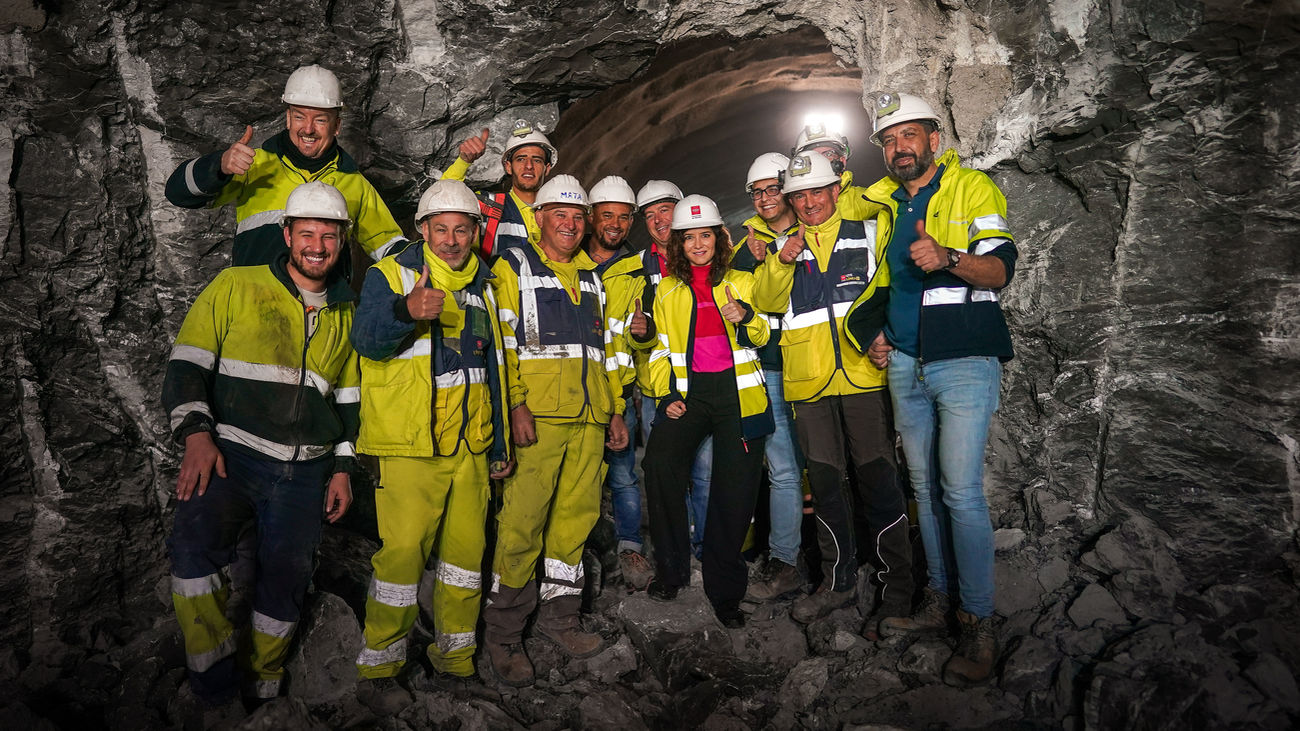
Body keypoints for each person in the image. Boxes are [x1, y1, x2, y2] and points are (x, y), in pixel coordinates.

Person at [162, 181, 358, 705]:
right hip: (230, 456)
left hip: (305, 470)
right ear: (287, 234)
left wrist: (341, 468)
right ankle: (215, 685)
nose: (317, 246)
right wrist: (198, 436)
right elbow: (186, 366)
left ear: (344, 242)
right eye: (308, 234)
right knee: (193, 555)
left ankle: (266, 686)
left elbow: (349, 401)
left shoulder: (347, 311)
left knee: (286, 581)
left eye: (330, 237)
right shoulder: (235, 285)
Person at [853, 92, 1017, 687]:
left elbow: (1000, 269)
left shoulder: (972, 188)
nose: (900, 147)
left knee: (960, 493)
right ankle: (938, 598)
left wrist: (948, 256)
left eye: (909, 136)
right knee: (921, 489)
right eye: (890, 140)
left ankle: (976, 621)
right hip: (906, 362)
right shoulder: (885, 206)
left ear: (934, 141)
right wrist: (878, 335)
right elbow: (876, 284)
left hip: (964, 361)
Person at [349, 179, 514, 698]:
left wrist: (499, 445)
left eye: (461, 230)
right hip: (412, 446)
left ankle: (456, 656)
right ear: (422, 230)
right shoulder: (391, 275)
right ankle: (380, 666)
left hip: (470, 445)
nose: (450, 239)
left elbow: (496, 370)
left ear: (475, 232)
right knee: (400, 559)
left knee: (466, 558)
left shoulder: (484, 286)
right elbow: (366, 342)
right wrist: (406, 311)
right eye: (440, 229)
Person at [753, 152, 913, 626]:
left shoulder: (868, 235)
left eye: (817, 192)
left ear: (835, 191)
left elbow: (891, 290)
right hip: (809, 385)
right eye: (799, 195)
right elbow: (764, 301)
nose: (809, 203)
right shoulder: (783, 247)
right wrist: (781, 262)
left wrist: (885, 335)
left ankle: (897, 587)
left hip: (863, 375)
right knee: (825, 484)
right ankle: (837, 581)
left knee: (879, 479)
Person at [483, 175, 629, 687]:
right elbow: (503, 344)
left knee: (575, 520)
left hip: (589, 420)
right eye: (558, 215)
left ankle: (559, 619)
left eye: (576, 217)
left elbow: (607, 350)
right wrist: (516, 405)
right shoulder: (514, 265)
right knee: (522, 523)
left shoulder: (591, 277)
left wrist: (613, 410)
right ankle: (503, 635)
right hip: (539, 418)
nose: (568, 225)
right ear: (539, 217)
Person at [641, 195, 771, 629]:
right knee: (659, 465)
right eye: (689, 237)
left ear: (719, 237)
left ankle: (725, 590)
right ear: (678, 243)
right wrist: (665, 395)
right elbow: (660, 350)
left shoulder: (743, 280)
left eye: (706, 235)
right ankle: (672, 571)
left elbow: (764, 334)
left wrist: (746, 316)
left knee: (733, 494)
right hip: (689, 396)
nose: (698, 244)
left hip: (739, 398)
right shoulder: (666, 290)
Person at [165, 64, 406, 266]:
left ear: (337, 126)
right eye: (300, 116)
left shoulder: (354, 183)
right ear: (288, 119)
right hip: (255, 306)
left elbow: (388, 246)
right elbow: (177, 193)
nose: (309, 129)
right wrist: (219, 166)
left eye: (320, 120)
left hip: (324, 314)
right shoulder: (253, 164)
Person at [731, 153, 807, 601]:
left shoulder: (819, 230)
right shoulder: (745, 250)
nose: (763, 199)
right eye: (756, 192)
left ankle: (843, 559)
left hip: (820, 365)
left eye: (771, 189)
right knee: (781, 468)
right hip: (772, 365)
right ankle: (784, 560)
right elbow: (745, 309)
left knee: (827, 463)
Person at [628, 180, 714, 560]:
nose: (659, 220)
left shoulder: (708, 261)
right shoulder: (633, 269)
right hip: (656, 389)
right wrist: (640, 335)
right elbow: (636, 335)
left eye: (665, 210)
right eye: (650, 215)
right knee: (666, 476)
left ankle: (706, 546)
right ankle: (673, 550)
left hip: (704, 385)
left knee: (706, 473)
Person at [584, 175, 656, 591]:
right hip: (574, 389)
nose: (615, 224)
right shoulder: (567, 261)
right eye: (607, 215)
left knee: (624, 474)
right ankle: (577, 550)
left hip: (618, 391)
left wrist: (643, 333)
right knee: (578, 476)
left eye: (624, 217)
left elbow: (640, 335)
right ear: (592, 217)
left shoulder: (639, 268)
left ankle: (629, 547)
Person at [442, 120, 558, 256]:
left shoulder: (559, 215)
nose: (529, 166)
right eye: (521, 159)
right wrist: (463, 161)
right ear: (508, 166)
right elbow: (443, 198)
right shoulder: (487, 206)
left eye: (537, 160)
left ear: (547, 168)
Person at [792, 121, 881, 220]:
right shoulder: (796, 206)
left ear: (842, 161)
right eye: (813, 156)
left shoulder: (868, 199)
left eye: (828, 154)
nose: (821, 161)